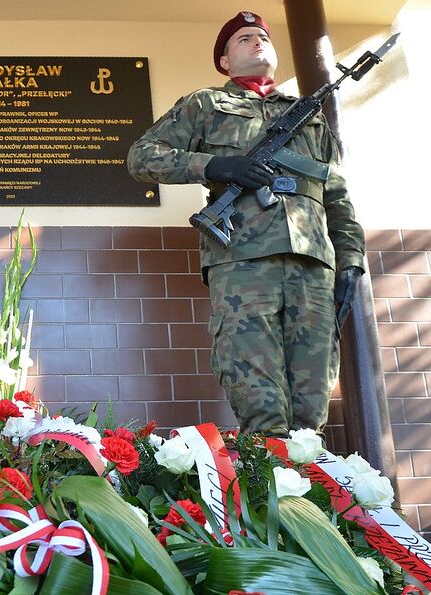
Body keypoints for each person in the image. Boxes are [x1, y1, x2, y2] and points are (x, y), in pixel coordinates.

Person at [127, 11, 365, 437]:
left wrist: (350, 259)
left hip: (312, 264)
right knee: (258, 392)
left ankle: (311, 487)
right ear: (224, 61)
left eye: (262, 36)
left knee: (313, 398)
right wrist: (216, 164)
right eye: (243, 39)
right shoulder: (204, 105)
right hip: (242, 262)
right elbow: (142, 157)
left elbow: (337, 194)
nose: (257, 41)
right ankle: (269, 488)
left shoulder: (307, 115)